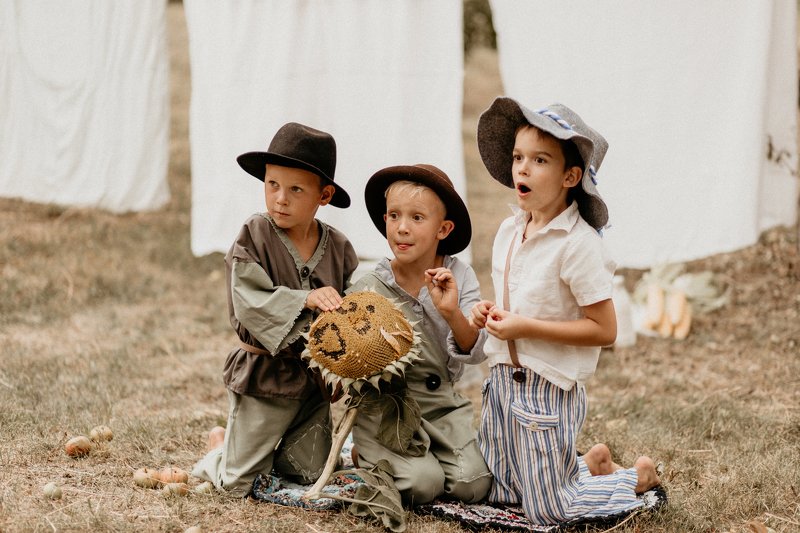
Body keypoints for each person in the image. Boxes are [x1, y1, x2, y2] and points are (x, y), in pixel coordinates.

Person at [471, 97, 660, 524]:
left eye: (540, 160)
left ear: (570, 176)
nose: (522, 167)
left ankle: (631, 480)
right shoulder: (509, 229)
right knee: (502, 492)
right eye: (518, 157)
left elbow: (604, 328)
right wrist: (492, 314)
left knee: (546, 510)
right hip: (501, 380)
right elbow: (518, 299)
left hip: (545, 389)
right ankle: (580, 470)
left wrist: (524, 327)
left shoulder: (579, 245)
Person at [192, 122, 358, 497]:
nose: (280, 198)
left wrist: (345, 364)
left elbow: (349, 313)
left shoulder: (340, 248)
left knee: (309, 473)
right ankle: (221, 451)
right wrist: (305, 299)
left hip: (312, 387)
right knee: (239, 483)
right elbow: (249, 303)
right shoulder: (255, 234)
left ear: (324, 195)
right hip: (265, 379)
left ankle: (247, 447)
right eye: (272, 185)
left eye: (296, 189)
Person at [347, 164, 492, 506]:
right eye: (393, 215)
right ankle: (366, 452)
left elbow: (476, 351)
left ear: (443, 228)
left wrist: (451, 312)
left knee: (472, 484)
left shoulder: (459, 275)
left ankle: (432, 456)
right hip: (387, 409)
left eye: (416, 218)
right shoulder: (370, 285)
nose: (401, 228)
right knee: (422, 485)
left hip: (440, 405)